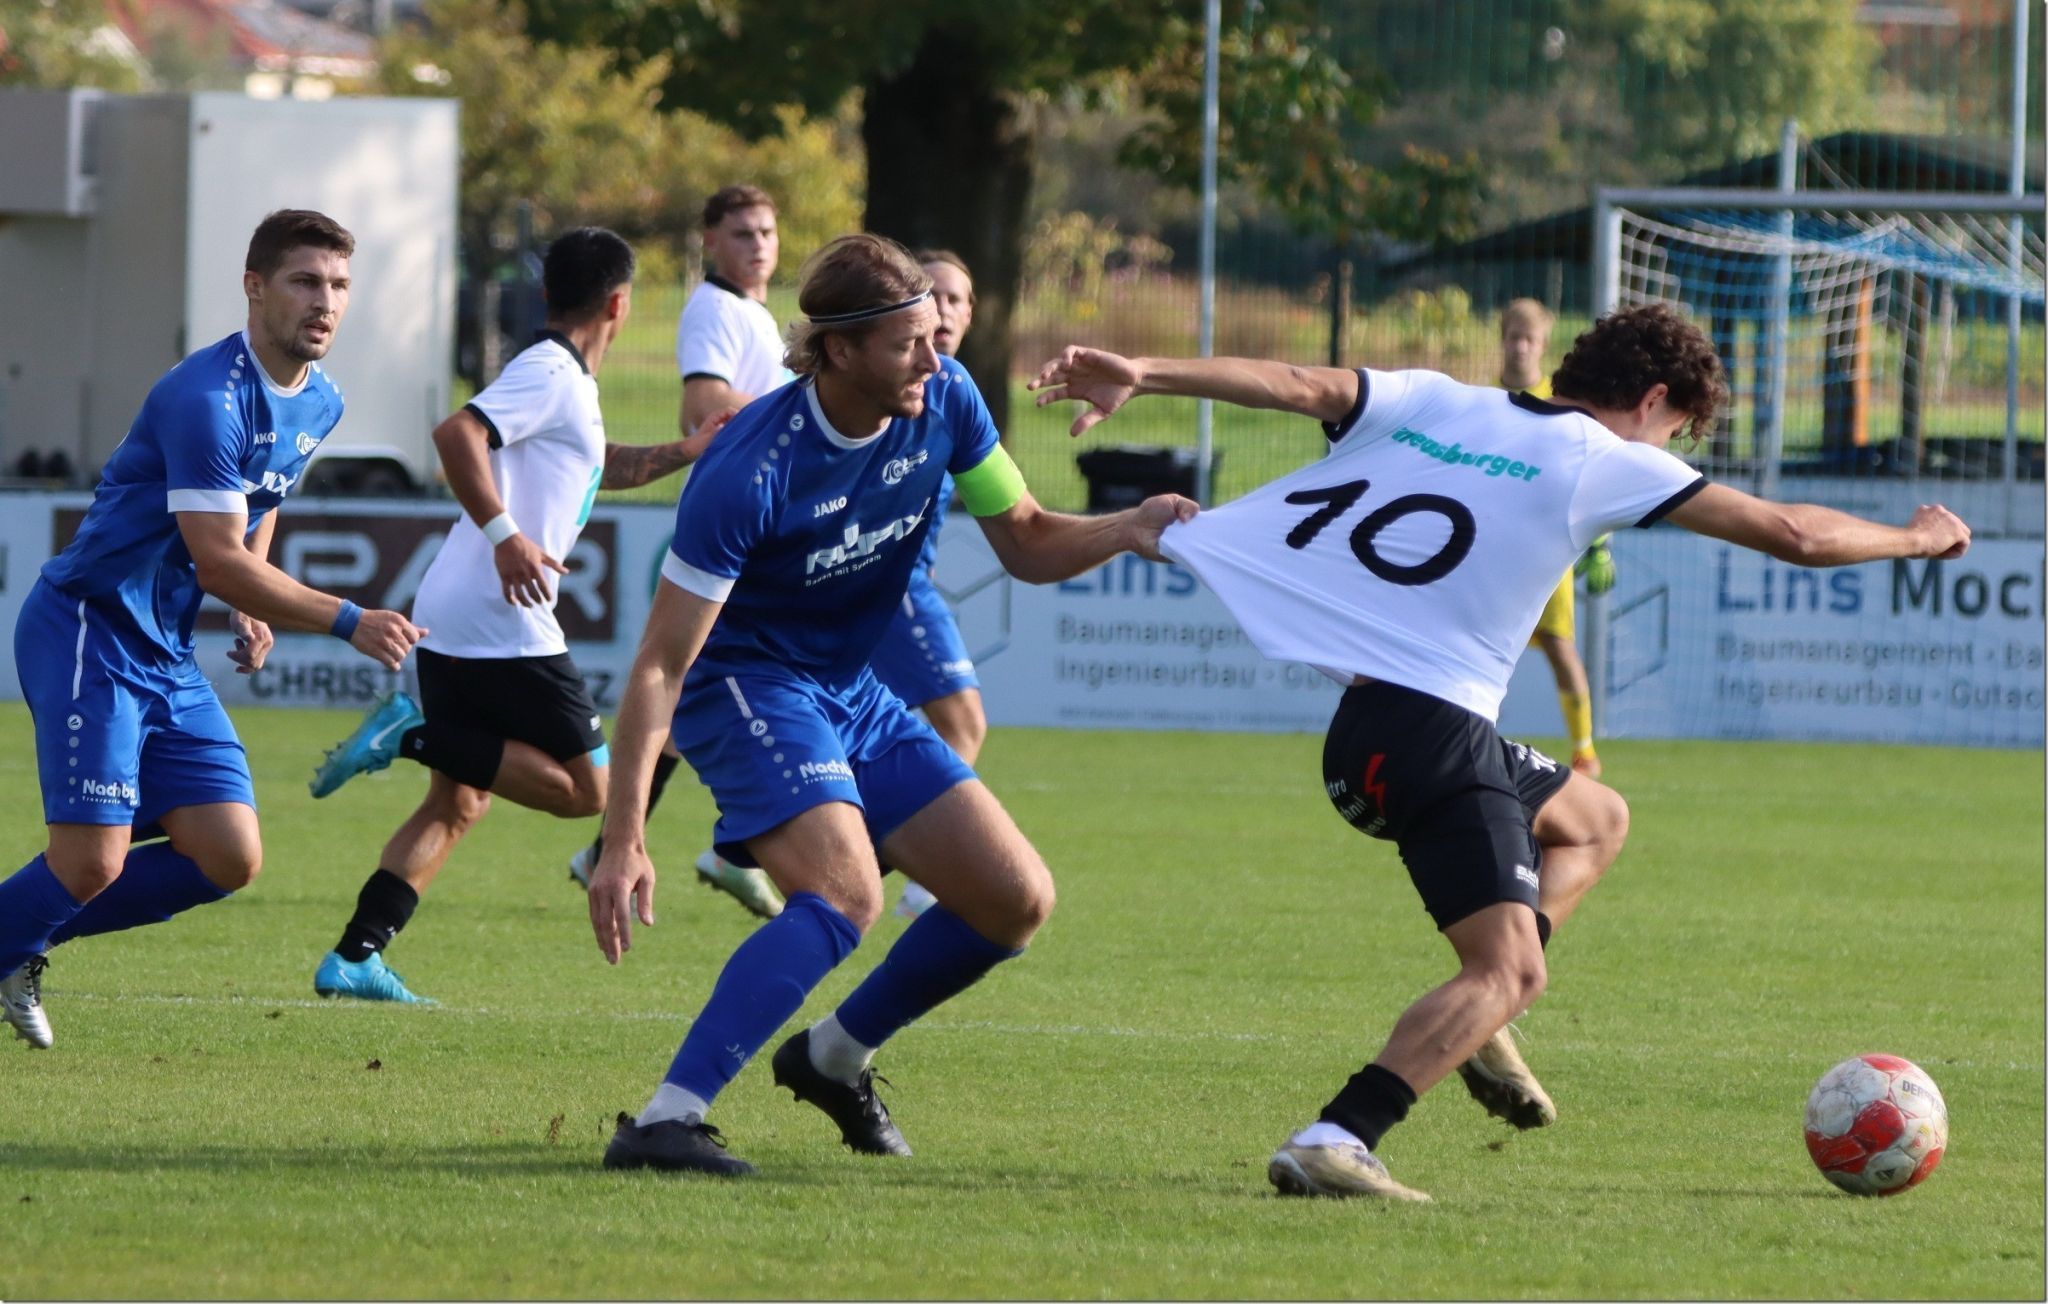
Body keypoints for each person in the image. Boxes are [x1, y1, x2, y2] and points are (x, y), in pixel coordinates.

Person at [1029, 304, 1969, 1201]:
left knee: (1596, 820)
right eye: (1675, 433)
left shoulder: (1442, 398)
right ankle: (1340, 1136)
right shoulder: (1601, 457)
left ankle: (1484, 1030)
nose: (1667, 454)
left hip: (1369, 736)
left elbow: (1294, 383)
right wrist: (1917, 539)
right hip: (1430, 734)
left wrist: (1146, 371)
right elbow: (1795, 533)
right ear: (1651, 403)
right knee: (1509, 969)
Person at [589, 234, 1194, 1177]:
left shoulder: (946, 399)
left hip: (851, 690)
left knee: (1013, 899)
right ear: (836, 349)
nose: (935, 352)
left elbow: (1027, 539)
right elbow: (662, 665)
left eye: (935, 332)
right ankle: (667, 1119)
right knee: (843, 893)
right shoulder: (749, 468)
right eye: (908, 340)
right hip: (745, 682)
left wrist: (1129, 527)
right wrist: (623, 835)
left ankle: (833, 1057)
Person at [0, 210, 426, 1049]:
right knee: (91, 862)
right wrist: (343, 618)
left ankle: (21, 937)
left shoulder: (322, 398)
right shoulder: (205, 397)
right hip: (91, 630)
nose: (326, 302)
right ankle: (15, 936)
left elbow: (259, 504)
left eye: (339, 285)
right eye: (306, 281)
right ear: (254, 286)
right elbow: (218, 558)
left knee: (228, 855)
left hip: (161, 649)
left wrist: (254, 605)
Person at [303, 228, 717, 1004]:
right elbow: (456, 434)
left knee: (458, 801)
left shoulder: (566, 385)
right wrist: (507, 537)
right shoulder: (549, 370)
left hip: (463, 608)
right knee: (589, 791)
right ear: (620, 304)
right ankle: (409, 734)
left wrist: (690, 448)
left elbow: (601, 464)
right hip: (499, 614)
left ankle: (356, 956)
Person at [565, 184, 789, 920]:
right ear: (711, 241)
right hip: (742, 530)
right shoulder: (715, 311)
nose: (759, 243)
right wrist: (808, 417)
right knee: (706, 686)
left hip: (772, 532)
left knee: (700, 696)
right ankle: (723, 852)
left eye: (767, 231)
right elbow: (705, 411)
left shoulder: (754, 314)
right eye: (742, 232)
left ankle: (628, 849)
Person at [872, 250, 985, 919]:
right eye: (931, 297)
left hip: (908, 576)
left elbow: (1015, 514)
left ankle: (744, 852)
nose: (943, 311)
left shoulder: (954, 389)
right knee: (963, 721)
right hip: (889, 582)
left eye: (956, 300)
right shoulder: (892, 385)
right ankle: (924, 879)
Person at [1501, 298, 1611, 777]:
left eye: (1530, 339)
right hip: (1496, 548)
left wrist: (1600, 543)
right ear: (1502, 340)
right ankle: (1468, 732)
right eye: (1513, 337)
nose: (1521, 347)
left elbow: (1590, 472)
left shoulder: (1560, 401)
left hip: (1549, 548)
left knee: (1559, 644)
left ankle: (1584, 751)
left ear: (1543, 346)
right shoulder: (1485, 401)